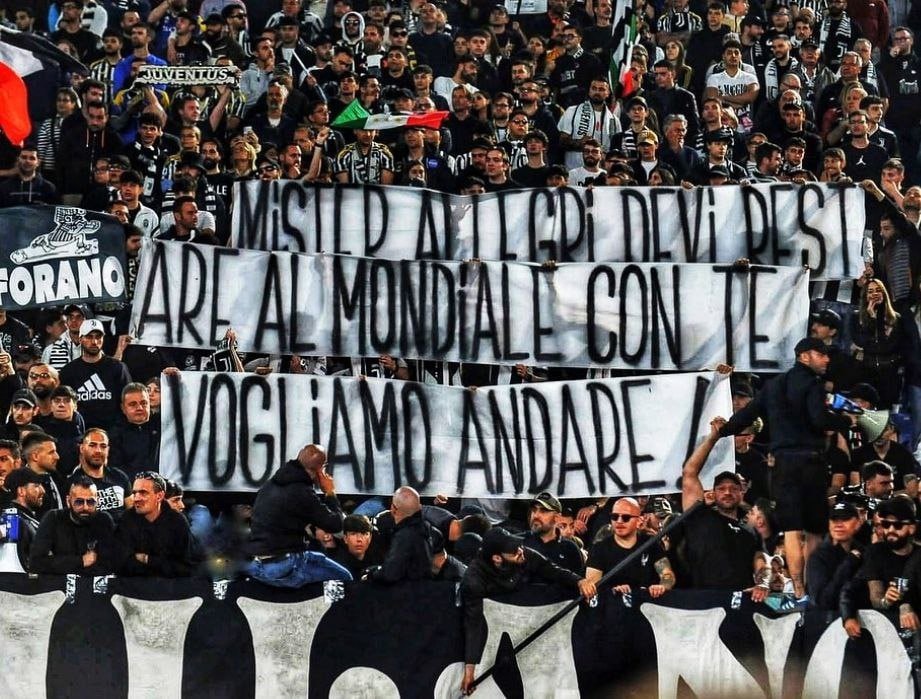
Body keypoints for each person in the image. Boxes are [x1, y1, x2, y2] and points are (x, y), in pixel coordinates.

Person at [715, 338, 852, 600]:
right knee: (814, 531)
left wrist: (724, 430)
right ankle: (813, 590)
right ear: (804, 356)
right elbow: (819, 419)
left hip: (781, 465)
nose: (827, 359)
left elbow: (747, 415)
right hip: (810, 462)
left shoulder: (774, 385)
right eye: (821, 354)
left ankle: (798, 589)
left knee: (791, 530)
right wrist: (845, 420)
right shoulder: (813, 384)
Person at [459, 528, 596, 695]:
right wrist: (470, 670)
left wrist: (579, 581)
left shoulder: (524, 555)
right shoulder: (474, 579)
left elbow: (552, 570)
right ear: (497, 558)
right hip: (496, 628)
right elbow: (473, 623)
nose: (520, 551)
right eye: (513, 550)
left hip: (526, 621)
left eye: (518, 546)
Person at [680, 418, 767, 598]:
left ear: (742, 493)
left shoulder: (750, 527)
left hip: (742, 599)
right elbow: (689, 472)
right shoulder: (699, 516)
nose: (727, 492)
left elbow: (760, 561)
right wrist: (714, 437)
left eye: (733, 488)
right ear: (712, 493)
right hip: (704, 599)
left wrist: (763, 583)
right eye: (721, 488)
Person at [243, 444, 352, 587]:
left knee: (318, 558)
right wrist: (330, 492)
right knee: (344, 577)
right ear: (321, 469)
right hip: (285, 565)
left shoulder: (269, 485)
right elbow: (336, 525)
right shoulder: (301, 492)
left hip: (259, 561)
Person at [842, 496, 919, 638]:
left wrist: (906, 604)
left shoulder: (918, 555)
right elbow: (870, 595)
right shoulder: (875, 553)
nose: (890, 530)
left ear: (912, 528)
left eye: (898, 525)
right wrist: (886, 601)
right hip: (884, 632)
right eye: (885, 524)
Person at [585, 497, 674, 597]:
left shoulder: (650, 544)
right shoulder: (599, 549)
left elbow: (667, 575)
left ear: (638, 519)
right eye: (615, 517)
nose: (619, 521)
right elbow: (592, 587)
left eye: (626, 517)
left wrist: (662, 587)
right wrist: (612, 591)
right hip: (612, 603)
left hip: (645, 602)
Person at [29, 477, 118, 575]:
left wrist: (65, 566)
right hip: (61, 583)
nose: (85, 507)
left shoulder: (104, 521)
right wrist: (80, 561)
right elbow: (36, 563)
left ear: (97, 501)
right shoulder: (54, 518)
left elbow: (110, 564)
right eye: (79, 502)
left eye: (91, 502)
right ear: (68, 501)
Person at [115, 471, 195, 577]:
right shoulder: (126, 519)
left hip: (169, 585)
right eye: (134, 493)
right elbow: (120, 564)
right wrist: (160, 563)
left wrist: (147, 559)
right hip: (134, 584)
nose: (136, 498)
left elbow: (185, 568)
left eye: (143, 493)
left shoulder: (177, 521)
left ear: (159, 496)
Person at [59, 319, 132, 431]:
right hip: (80, 432)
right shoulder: (68, 371)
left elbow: (128, 401)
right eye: (89, 337)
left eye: (98, 337)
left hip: (114, 432)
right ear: (80, 339)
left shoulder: (118, 368)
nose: (94, 341)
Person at [365, 486, 435, 583]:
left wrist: (372, 574)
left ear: (393, 509)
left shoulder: (404, 535)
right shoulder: (426, 528)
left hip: (408, 589)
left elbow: (391, 573)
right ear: (419, 507)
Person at [806, 501, 866, 613]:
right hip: (827, 620)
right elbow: (823, 601)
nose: (839, 525)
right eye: (834, 520)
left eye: (845, 519)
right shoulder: (818, 557)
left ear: (858, 523)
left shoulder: (864, 552)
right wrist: (849, 563)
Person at [67, 428, 132, 519]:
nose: (98, 450)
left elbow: (132, 511)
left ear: (108, 450)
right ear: (82, 448)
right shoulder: (72, 483)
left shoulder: (120, 476)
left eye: (103, 446)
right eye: (92, 445)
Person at [522, 491, 584, 574]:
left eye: (543, 511)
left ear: (557, 517)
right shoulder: (519, 542)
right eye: (534, 510)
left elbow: (579, 580)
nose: (536, 515)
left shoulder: (570, 548)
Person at [108, 383, 160, 480]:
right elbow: (116, 471)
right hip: (131, 486)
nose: (139, 408)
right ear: (123, 408)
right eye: (133, 404)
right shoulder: (114, 436)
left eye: (144, 403)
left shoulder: (163, 425)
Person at [3, 468, 45, 569]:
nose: (43, 491)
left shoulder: (26, 518)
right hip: (17, 577)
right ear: (21, 491)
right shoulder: (12, 519)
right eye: (36, 486)